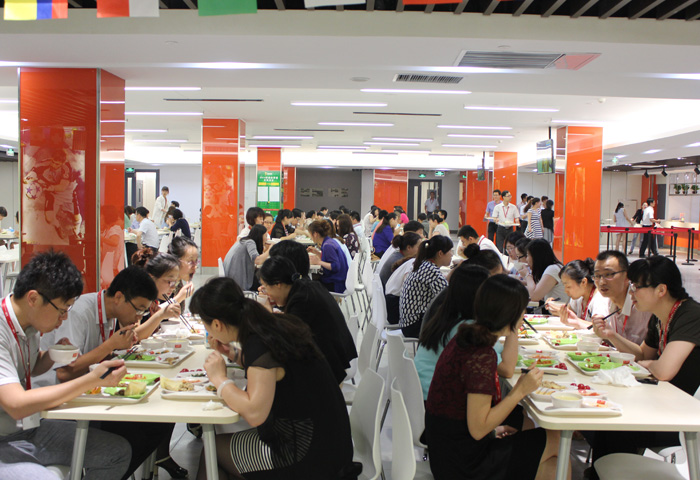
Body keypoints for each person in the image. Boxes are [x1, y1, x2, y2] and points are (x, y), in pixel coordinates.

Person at [190, 278, 355, 480]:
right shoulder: (269, 326)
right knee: (217, 451)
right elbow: (272, 370)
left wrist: (219, 379)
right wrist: (232, 353)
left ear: (217, 324)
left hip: (307, 453)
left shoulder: (258, 344)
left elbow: (254, 413)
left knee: (213, 451)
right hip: (329, 439)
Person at [35, 267, 186, 479]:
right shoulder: (78, 313)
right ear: (119, 297)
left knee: (158, 424)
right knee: (139, 433)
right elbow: (64, 373)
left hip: (84, 396)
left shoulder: (109, 313)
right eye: (138, 310)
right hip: (58, 406)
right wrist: (110, 345)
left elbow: (116, 347)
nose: (138, 316)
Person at [0, 251, 131, 479]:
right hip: (5, 438)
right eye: (62, 310)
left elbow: (30, 368)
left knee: (117, 453)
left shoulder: (28, 323)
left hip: (27, 429)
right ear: (33, 298)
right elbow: (16, 405)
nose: (64, 318)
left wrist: (52, 355)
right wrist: (92, 380)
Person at [424, 274, 561, 480]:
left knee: (553, 463)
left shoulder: (466, 336)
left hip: (447, 450)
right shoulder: (481, 356)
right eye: (522, 310)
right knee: (555, 441)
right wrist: (520, 391)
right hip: (463, 464)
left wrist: (513, 326)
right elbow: (479, 429)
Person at [586, 256, 700, 478]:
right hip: (661, 403)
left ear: (661, 290)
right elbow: (641, 355)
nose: (632, 293)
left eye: (637, 287)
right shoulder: (660, 318)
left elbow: (663, 371)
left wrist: (649, 364)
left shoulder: (690, 315)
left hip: (682, 417)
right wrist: (611, 335)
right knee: (603, 425)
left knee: (613, 430)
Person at [258, 257, 357, 384]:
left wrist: (267, 312)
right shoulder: (307, 286)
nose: (267, 293)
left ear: (278, 284)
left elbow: (284, 338)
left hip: (329, 371)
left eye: (266, 287)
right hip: (337, 357)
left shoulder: (302, 299)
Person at [415, 265, 491, 400]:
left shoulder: (444, 316)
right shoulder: (466, 327)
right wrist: (512, 324)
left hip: (422, 393)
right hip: (437, 400)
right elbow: (506, 369)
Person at [591, 250, 651, 345]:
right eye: (597, 276)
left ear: (627, 276)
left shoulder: (644, 306)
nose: (602, 282)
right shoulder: (604, 298)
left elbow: (646, 353)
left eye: (609, 274)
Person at [399, 235, 452, 338]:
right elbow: (448, 297)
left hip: (409, 324)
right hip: (415, 326)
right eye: (450, 251)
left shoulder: (425, 264)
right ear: (440, 253)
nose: (452, 254)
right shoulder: (431, 270)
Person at [130, 249, 188, 338]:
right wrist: (160, 315)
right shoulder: (137, 298)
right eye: (169, 281)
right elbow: (133, 336)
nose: (173, 287)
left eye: (175, 282)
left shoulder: (153, 300)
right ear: (151, 278)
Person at [545, 259, 609, 329]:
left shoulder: (599, 299)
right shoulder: (578, 297)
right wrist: (553, 306)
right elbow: (568, 314)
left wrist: (576, 321)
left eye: (568, 286)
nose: (565, 291)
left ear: (583, 282)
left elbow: (599, 328)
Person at [520, 239, 569, 304]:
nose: (526, 259)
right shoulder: (552, 268)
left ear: (536, 256)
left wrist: (527, 274)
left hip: (558, 310)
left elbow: (534, 296)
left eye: (528, 255)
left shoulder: (553, 269)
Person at [307, 220, 349, 294]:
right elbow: (327, 259)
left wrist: (318, 262)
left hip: (336, 283)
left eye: (310, 234)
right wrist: (317, 252)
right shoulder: (329, 241)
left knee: (309, 285)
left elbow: (335, 266)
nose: (310, 237)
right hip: (339, 279)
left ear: (315, 234)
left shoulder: (328, 245)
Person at [223, 224, 269, 291]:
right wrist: (270, 250)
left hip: (232, 275)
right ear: (260, 236)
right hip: (237, 278)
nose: (266, 238)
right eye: (265, 235)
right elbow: (257, 260)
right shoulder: (250, 242)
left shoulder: (244, 240)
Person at [168, 236, 198, 306]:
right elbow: (156, 311)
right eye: (190, 262)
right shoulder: (162, 284)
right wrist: (179, 298)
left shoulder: (178, 283)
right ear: (176, 261)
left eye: (196, 261)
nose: (195, 266)